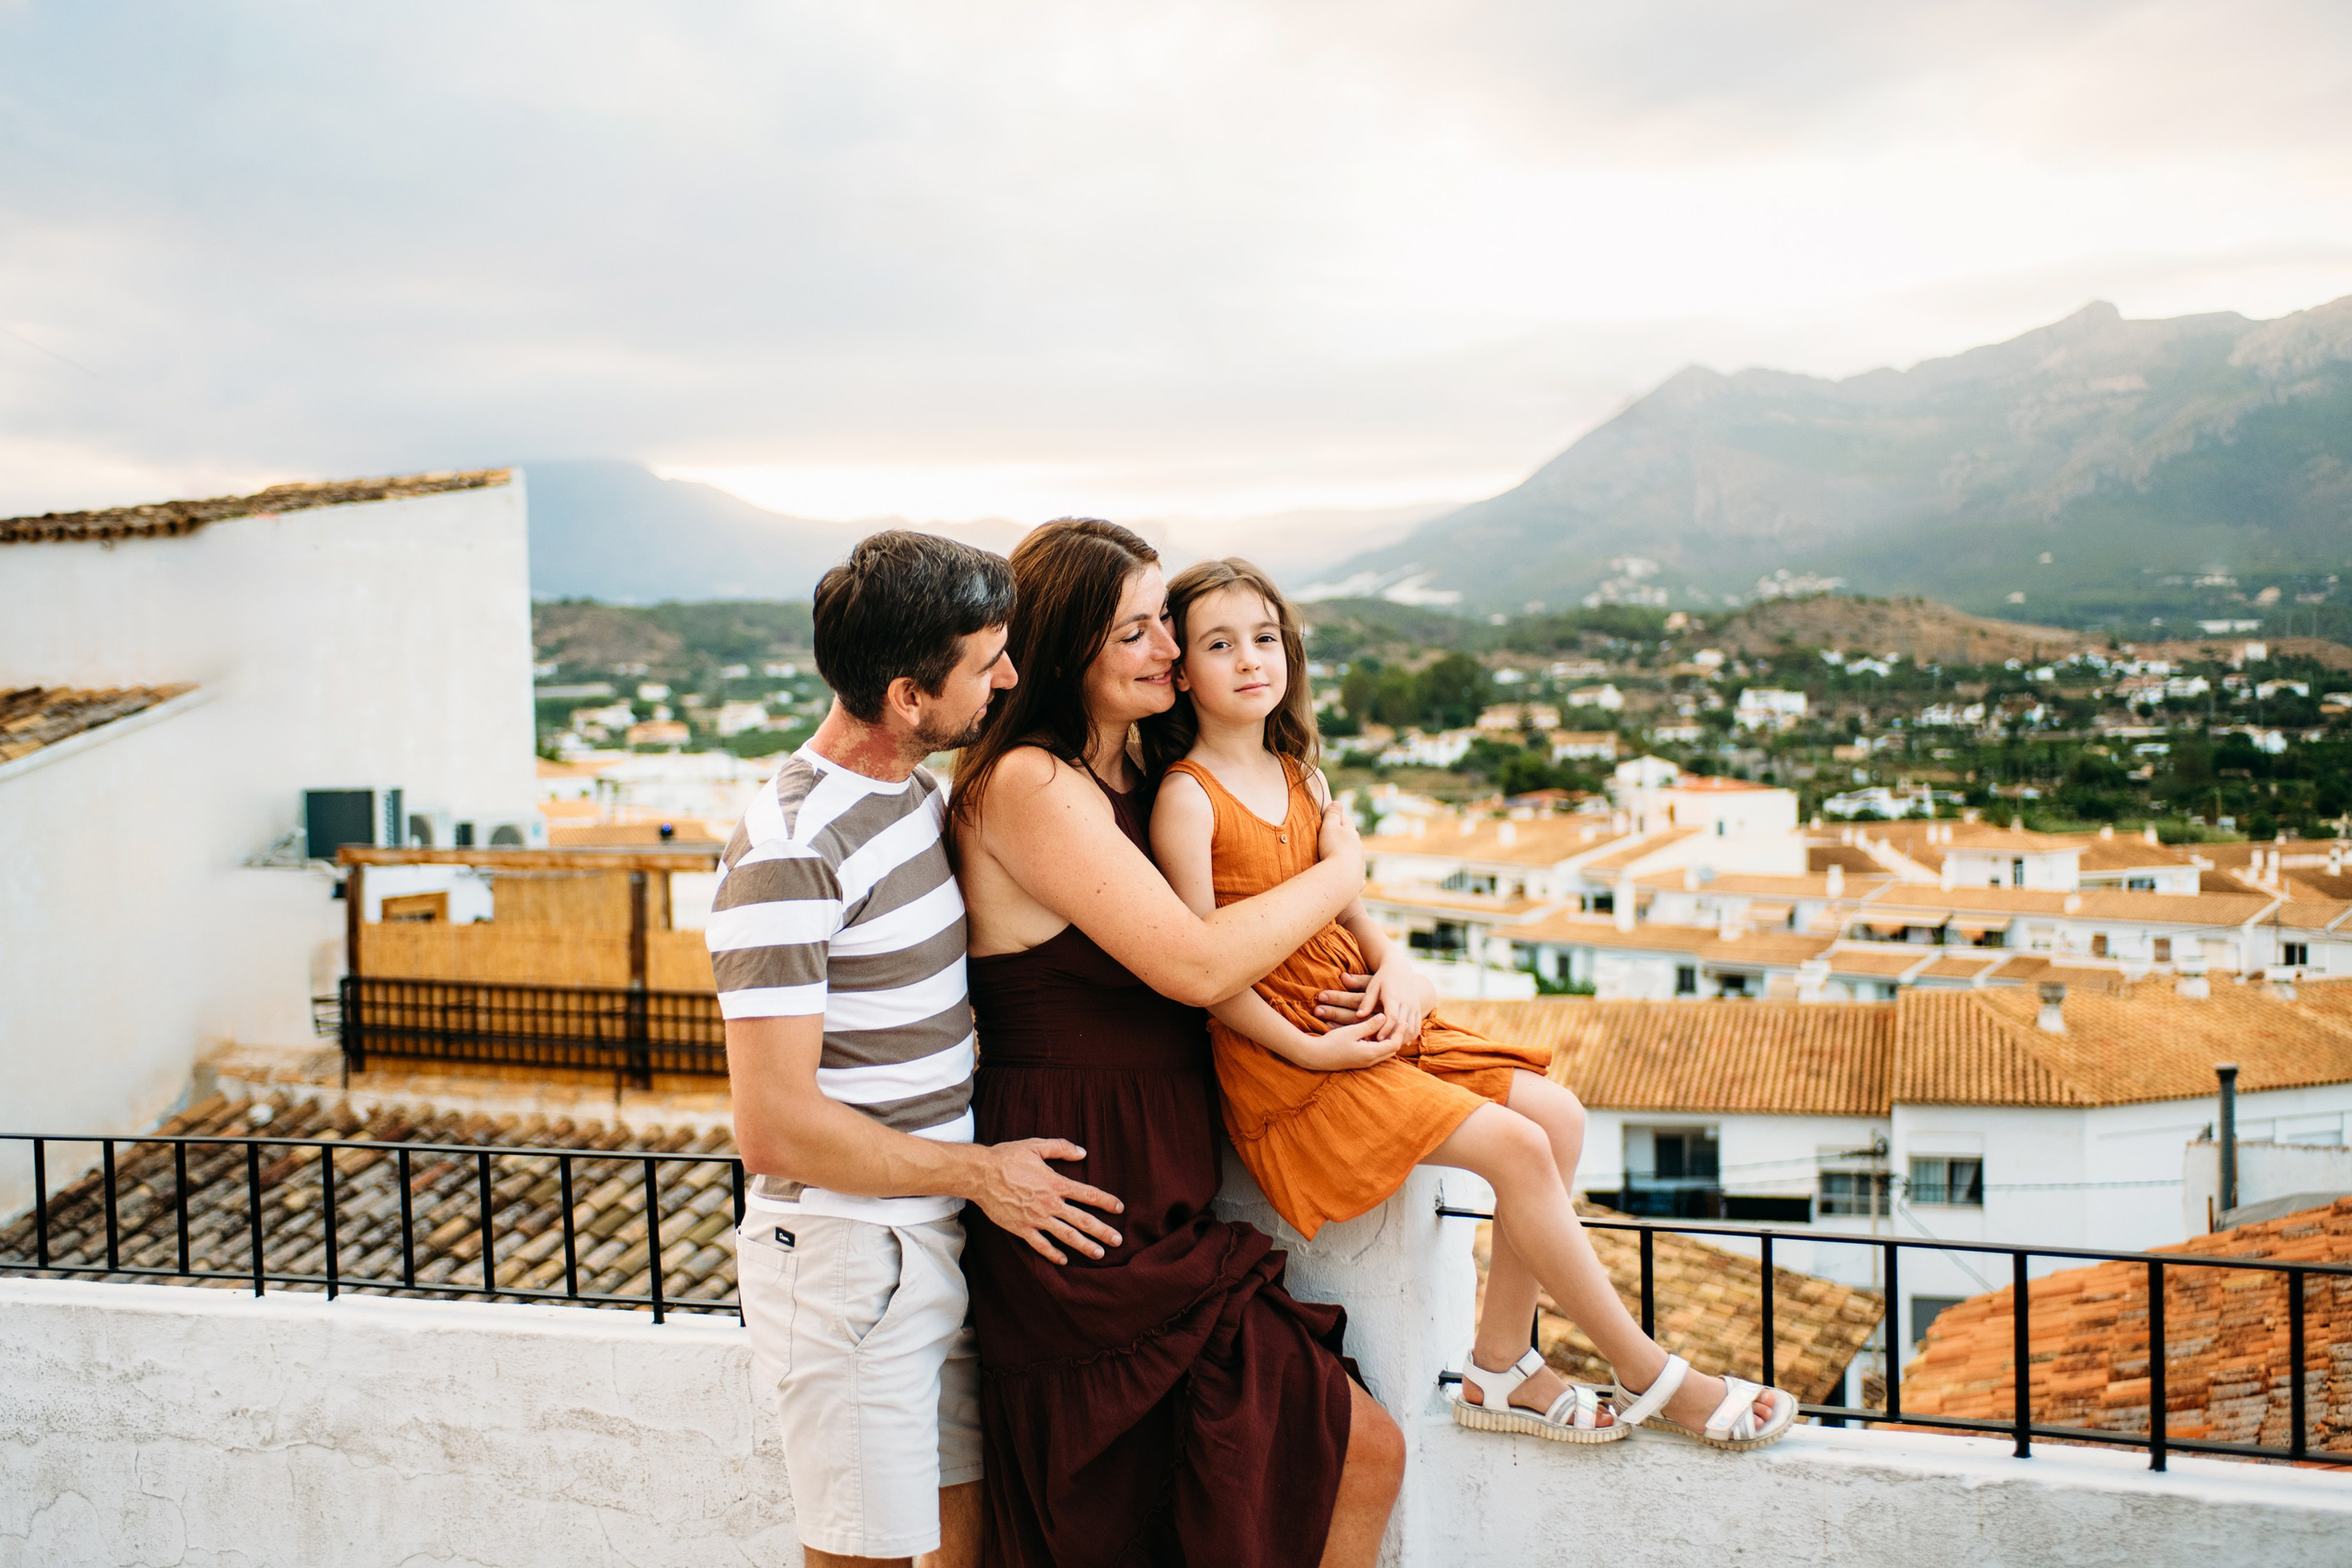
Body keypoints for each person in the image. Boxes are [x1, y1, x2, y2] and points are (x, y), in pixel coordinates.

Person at [1144, 557, 1800, 1452]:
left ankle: (1499, 1365)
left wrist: (1402, 971)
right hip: (1290, 1058)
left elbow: (1353, 914)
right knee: (1516, 1145)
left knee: (1557, 1118)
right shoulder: (1186, 799)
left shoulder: (1304, 778)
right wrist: (1310, 1052)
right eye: (1219, 644)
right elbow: (1207, 974)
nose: (1250, 659)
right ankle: (1652, 1374)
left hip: (1371, 1019)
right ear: (1182, 669)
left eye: (1264, 637)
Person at [950, 520, 1404, 1568]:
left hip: (1160, 1184)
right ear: (1067, 653)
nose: (1167, 648)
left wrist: (1393, 963)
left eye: (1164, 623)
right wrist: (1342, 872)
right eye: (1135, 633)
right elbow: (1197, 967)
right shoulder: (1029, 783)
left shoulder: (1144, 773)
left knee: (1287, 1474)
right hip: (1080, 1197)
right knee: (1320, 1457)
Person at [716, 531, 1132, 1568]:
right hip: (849, 1259)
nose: (1008, 675)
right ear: (909, 696)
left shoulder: (918, 799)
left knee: (963, 1549)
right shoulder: (788, 850)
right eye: (987, 657)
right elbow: (771, 1128)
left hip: (929, 1242)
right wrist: (981, 1175)